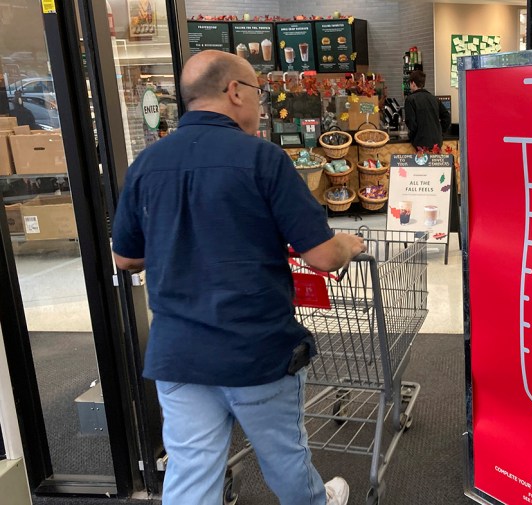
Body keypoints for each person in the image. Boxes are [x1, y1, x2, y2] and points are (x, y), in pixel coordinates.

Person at [111, 50, 365, 505]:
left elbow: (125, 259)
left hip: (179, 352)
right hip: (254, 349)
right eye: (257, 93)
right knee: (284, 459)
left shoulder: (146, 165)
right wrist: (349, 242)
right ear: (234, 91)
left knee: (190, 471)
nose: (260, 104)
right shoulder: (263, 160)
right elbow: (323, 257)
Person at [404, 69, 451, 151]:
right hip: (437, 142)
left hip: (421, 143)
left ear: (413, 83)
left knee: (421, 163)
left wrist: (414, 135)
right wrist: (440, 132)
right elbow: (447, 117)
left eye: (410, 83)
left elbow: (411, 122)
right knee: (436, 163)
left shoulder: (410, 100)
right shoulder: (434, 99)